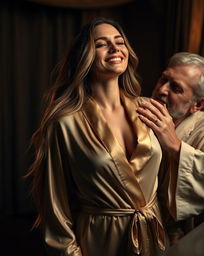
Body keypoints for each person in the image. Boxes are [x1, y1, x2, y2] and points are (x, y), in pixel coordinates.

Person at [27, 17, 176, 256]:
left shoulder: (149, 108)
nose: (115, 48)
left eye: (119, 42)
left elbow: (170, 181)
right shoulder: (65, 123)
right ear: (84, 56)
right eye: (101, 44)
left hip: (153, 238)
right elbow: (55, 207)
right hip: (101, 241)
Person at [137, 52, 204, 241]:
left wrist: (176, 147)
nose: (162, 89)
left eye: (176, 88)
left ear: (198, 104)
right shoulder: (137, 108)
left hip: (178, 236)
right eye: (163, 79)